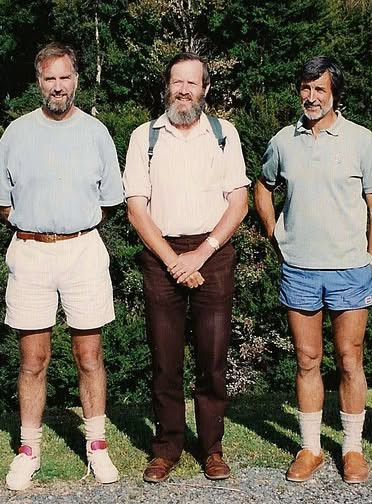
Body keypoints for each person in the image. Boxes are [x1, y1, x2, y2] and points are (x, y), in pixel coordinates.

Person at [0, 42, 123, 491]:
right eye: (49, 78)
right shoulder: (17, 133)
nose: (57, 86)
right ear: (38, 81)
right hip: (31, 252)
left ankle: (97, 447)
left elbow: (109, 203)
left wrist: (70, 227)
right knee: (33, 358)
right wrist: (35, 225)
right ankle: (29, 449)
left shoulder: (97, 132)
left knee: (89, 355)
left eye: (64, 77)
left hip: (83, 249)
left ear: (76, 79)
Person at [254, 56, 372, 484]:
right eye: (305, 89)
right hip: (300, 269)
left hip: (350, 267)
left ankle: (351, 449)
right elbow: (263, 186)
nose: (311, 97)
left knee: (350, 359)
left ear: (334, 94)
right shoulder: (283, 141)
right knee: (307, 359)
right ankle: (310, 448)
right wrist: (276, 234)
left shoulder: (362, 141)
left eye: (320, 90)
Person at [123, 52, 250, 483]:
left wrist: (201, 254)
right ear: (166, 87)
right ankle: (167, 448)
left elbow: (239, 203)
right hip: (162, 256)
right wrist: (174, 260)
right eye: (176, 82)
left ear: (205, 90)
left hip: (213, 253)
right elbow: (136, 209)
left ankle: (211, 448)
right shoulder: (145, 137)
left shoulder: (223, 134)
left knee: (213, 359)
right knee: (165, 359)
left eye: (191, 83)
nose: (183, 90)